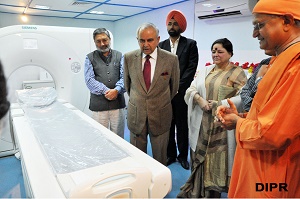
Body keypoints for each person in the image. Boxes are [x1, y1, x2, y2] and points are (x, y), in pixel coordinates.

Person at [215, 0, 300, 197]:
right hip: (262, 169)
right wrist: (243, 117)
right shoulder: (280, 59)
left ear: (287, 21)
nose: (254, 34)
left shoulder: (295, 66)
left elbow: (271, 135)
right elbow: (273, 115)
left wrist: (238, 123)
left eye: (259, 25)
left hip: (274, 177)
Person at [177, 38, 247, 198]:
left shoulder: (238, 73)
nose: (216, 54)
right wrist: (199, 99)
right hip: (201, 122)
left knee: (215, 159)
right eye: (213, 51)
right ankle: (196, 190)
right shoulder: (206, 70)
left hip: (221, 126)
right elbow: (191, 89)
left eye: (220, 51)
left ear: (230, 53)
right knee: (198, 157)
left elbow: (243, 97)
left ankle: (211, 193)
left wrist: (219, 103)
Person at [123, 22, 180, 165]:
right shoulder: (129, 58)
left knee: (160, 158)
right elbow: (128, 85)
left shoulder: (171, 59)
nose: (145, 44)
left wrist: (157, 100)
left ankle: (159, 186)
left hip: (160, 115)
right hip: (137, 114)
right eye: (142, 40)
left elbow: (174, 88)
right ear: (137, 40)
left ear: (158, 39)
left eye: (150, 40)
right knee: (137, 158)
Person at [159, 9, 199, 170]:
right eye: (170, 23)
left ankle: (183, 156)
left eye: (175, 23)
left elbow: (191, 68)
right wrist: (166, 88)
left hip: (181, 94)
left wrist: (176, 87)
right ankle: (171, 155)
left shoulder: (190, 44)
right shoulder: (160, 46)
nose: (172, 26)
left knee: (182, 126)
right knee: (168, 126)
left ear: (181, 26)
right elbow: (159, 69)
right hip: (164, 95)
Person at [84, 28, 126, 138]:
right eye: (98, 41)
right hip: (99, 106)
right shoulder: (89, 58)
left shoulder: (119, 55)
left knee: (118, 136)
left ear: (109, 39)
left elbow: (125, 77)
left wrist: (116, 90)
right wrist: (107, 91)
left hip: (117, 105)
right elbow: (89, 80)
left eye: (105, 40)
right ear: (94, 42)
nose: (102, 44)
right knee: (100, 136)